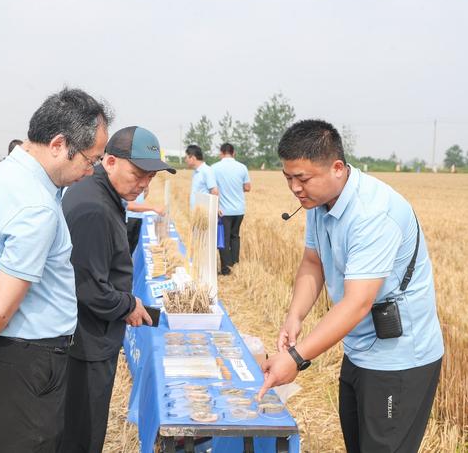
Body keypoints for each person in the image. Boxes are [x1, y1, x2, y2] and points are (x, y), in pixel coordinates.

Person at [0, 88, 112, 452]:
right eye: (90, 160)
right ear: (60, 144)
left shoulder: (2, 177)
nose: (90, 170)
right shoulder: (36, 205)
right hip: (26, 365)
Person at [258, 119, 444, 453]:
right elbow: (312, 261)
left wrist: (296, 358)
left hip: (399, 360)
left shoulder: (373, 213)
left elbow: (357, 303)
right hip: (360, 349)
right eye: (288, 178)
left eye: (303, 179)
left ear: (338, 168)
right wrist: (294, 316)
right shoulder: (318, 203)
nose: (295, 189)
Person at [61, 126, 175, 453]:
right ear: (109, 161)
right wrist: (127, 305)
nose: (143, 184)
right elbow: (89, 287)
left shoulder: (102, 194)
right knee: (82, 433)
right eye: (138, 174)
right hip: (86, 342)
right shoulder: (94, 207)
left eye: (150, 178)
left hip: (91, 334)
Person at [211, 142, 251, 274]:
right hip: (239, 210)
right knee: (235, 237)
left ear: (221, 153)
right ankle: (235, 266)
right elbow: (247, 187)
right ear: (234, 153)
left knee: (224, 239)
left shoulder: (214, 168)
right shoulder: (242, 167)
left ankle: (226, 270)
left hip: (223, 211)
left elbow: (212, 189)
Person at [125, 186, 165, 254]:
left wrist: (140, 203)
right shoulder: (127, 181)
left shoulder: (142, 182)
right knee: (125, 247)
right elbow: (128, 205)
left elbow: (146, 190)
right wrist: (153, 208)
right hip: (128, 218)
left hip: (139, 217)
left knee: (132, 246)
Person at [185, 144, 218, 210]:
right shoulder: (196, 172)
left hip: (203, 214)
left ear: (193, 158)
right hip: (196, 213)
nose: (185, 160)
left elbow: (214, 191)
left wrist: (215, 209)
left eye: (186, 157)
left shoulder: (207, 170)